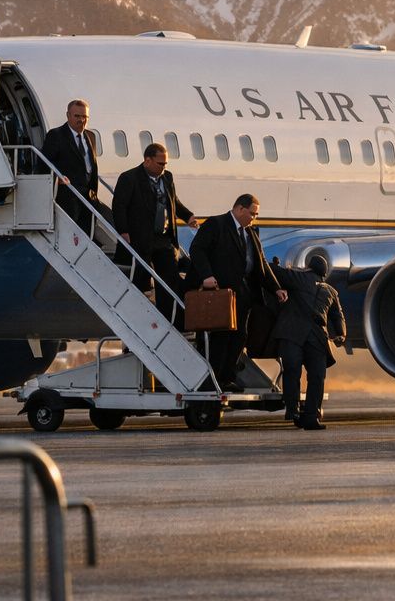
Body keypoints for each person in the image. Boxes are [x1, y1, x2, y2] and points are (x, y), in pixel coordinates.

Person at [188, 194, 286, 390]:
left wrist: (276, 288)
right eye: (252, 214)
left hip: (242, 294)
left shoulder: (250, 234)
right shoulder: (216, 224)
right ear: (239, 209)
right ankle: (212, 380)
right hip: (220, 293)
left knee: (240, 336)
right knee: (220, 337)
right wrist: (206, 275)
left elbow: (261, 266)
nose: (254, 218)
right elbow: (197, 249)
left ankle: (226, 378)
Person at [112, 143, 198, 324]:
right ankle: (137, 322)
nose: (164, 167)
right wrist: (123, 232)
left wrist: (188, 216)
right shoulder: (130, 178)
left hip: (164, 238)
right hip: (141, 239)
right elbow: (119, 206)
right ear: (147, 160)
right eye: (160, 163)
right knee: (140, 281)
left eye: (166, 163)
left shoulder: (167, 177)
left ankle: (169, 321)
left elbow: (173, 201)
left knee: (169, 281)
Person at [271, 257, 345, 430]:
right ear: (324, 273)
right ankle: (312, 416)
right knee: (317, 376)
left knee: (292, 370)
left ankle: (293, 410)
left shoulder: (298, 277)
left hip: (292, 333)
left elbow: (274, 272)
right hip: (317, 337)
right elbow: (337, 316)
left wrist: (273, 264)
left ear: (309, 268)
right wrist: (341, 334)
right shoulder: (332, 291)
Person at [39, 99, 99, 230]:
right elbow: (43, 164)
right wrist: (57, 178)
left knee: (88, 231)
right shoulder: (56, 135)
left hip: (88, 195)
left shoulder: (91, 136)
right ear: (68, 115)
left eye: (85, 117)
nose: (81, 120)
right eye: (77, 116)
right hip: (68, 195)